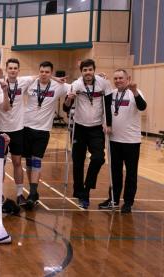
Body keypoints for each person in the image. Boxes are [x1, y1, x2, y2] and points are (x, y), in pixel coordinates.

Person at [64, 59, 113, 209]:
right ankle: (80, 194)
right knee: (78, 162)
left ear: (94, 70)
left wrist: (108, 124)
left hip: (96, 128)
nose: (88, 73)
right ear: (81, 72)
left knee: (98, 158)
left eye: (90, 69)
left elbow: (108, 105)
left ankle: (86, 189)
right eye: (85, 70)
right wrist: (69, 99)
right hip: (79, 127)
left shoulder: (103, 83)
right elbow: (66, 109)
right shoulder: (76, 84)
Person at [22, 61, 70, 210]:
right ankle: (33, 192)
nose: (43, 74)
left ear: (51, 72)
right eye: (41, 71)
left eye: (47, 72)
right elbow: (14, 79)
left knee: (37, 161)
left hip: (43, 130)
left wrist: (100, 78)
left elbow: (78, 86)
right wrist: (52, 77)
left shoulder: (59, 86)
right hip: (26, 127)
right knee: (29, 162)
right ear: (39, 71)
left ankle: (33, 192)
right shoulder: (30, 82)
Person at [98, 69, 147, 213]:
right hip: (114, 141)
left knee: (131, 173)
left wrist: (135, 91)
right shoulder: (112, 94)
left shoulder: (135, 92)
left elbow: (142, 107)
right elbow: (106, 111)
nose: (118, 80)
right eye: (116, 78)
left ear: (128, 78)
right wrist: (105, 125)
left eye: (121, 78)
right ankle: (113, 199)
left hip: (132, 141)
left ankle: (128, 202)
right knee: (115, 172)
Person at [0, 58, 37, 206]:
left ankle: (20, 194)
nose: (13, 70)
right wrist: (5, 90)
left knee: (17, 162)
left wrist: (55, 78)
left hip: (18, 129)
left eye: (15, 68)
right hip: (1, 129)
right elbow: (5, 107)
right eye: (10, 68)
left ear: (18, 70)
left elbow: (40, 76)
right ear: (7, 69)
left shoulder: (24, 81)